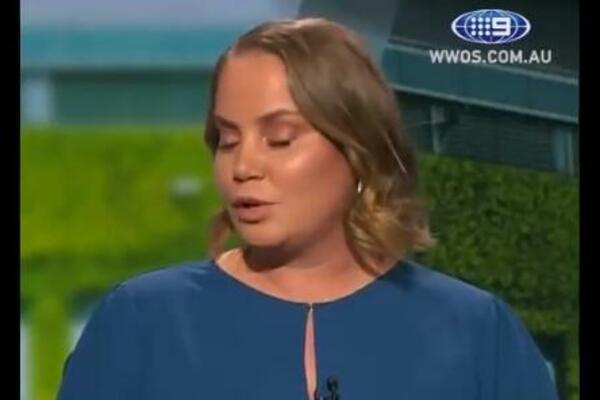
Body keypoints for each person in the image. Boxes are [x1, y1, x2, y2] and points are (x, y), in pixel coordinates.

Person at [57, 17, 559, 400]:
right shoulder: (141, 323)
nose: (243, 166)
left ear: (357, 149)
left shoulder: (477, 334)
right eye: (227, 140)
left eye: (279, 139)